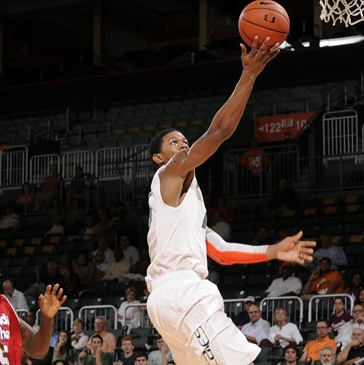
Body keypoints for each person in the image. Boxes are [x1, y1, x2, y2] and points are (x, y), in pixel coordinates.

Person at [145, 36, 315, 365]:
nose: (182, 144)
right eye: (173, 142)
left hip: (165, 303)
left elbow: (221, 252)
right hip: (185, 294)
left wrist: (272, 251)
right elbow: (220, 132)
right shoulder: (168, 174)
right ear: (158, 157)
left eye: (184, 139)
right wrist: (249, 75)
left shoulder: (185, 211)